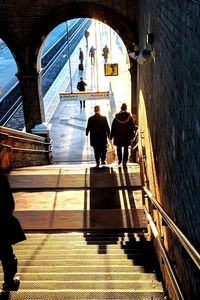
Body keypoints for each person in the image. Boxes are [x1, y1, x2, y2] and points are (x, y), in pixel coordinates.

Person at [0, 168, 26, 291]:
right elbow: (9, 202)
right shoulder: (0, 177)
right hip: (1, 222)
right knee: (6, 254)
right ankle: (9, 283)